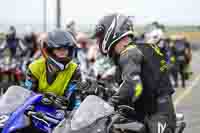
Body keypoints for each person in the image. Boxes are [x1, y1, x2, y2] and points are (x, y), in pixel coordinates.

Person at [92, 13, 176, 133]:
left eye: (100, 37)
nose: (99, 41)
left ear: (111, 33)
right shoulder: (144, 47)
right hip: (155, 110)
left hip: (156, 115)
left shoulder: (129, 53)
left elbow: (134, 86)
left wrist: (111, 103)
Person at [24, 30, 83, 109]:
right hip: (35, 111)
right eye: (58, 49)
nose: (63, 52)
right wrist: (43, 99)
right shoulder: (35, 67)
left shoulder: (74, 69)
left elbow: (74, 97)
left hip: (60, 114)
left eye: (65, 49)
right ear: (49, 50)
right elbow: (27, 94)